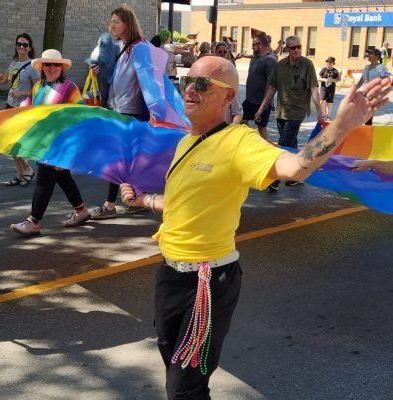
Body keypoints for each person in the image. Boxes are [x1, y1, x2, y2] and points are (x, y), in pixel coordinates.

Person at [120, 55, 390, 400]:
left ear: (227, 96)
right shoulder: (186, 142)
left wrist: (341, 126)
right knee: (176, 368)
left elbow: (295, 168)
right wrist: (143, 201)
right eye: (188, 80)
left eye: (203, 84)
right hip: (170, 276)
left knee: (183, 388)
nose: (190, 89)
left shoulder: (240, 142)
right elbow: (182, 206)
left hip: (205, 283)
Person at [9, 49, 90, 237]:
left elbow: (81, 113)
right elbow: (30, 105)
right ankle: (81, 211)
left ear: (61, 68)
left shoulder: (70, 88)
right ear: (42, 67)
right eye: (48, 64)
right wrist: (21, 109)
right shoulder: (38, 86)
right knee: (61, 176)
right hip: (43, 142)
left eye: (56, 64)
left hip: (60, 144)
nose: (52, 67)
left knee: (44, 179)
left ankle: (33, 221)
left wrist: (71, 146)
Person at [88, 5, 149, 220]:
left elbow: (149, 81)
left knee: (117, 159)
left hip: (128, 110)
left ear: (127, 23)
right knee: (125, 159)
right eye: (110, 21)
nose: (111, 25)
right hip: (116, 108)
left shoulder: (140, 48)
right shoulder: (120, 46)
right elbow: (114, 76)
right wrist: (100, 70)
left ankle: (110, 205)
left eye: (116, 21)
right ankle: (137, 197)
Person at [256, 35, 323, 191]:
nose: (297, 50)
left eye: (299, 46)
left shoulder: (307, 64)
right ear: (287, 49)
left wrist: (319, 110)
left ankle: (275, 179)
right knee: (291, 144)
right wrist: (261, 108)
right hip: (281, 111)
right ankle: (293, 177)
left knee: (284, 143)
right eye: (293, 48)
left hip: (297, 111)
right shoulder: (280, 66)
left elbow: (314, 88)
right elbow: (272, 88)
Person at [0, 33, 39, 187]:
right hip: (10, 107)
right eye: (19, 44)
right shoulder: (13, 64)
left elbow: (39, 89)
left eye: (25, 45)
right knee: (10, 143)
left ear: (30, 48)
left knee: (16, 143)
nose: (21, 47)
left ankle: (28, 170)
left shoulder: (33, 65)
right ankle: (20, 173)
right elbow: (1, 80)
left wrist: (22, 93)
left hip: (22, 109)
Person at [241, 35, 277, 139]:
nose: (252, 47)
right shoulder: (254, 57)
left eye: (253, 45)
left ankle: (266, 148)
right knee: (241, 122)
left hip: (262, 102)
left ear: (260, 45)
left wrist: (263, 105)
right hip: (250, 100)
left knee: (261, 127)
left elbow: (271, 85)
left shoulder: (270, 60)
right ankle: (254, 139)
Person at [356, 48, 389, 125]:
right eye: (368, 54)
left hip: (374, 94)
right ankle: (365, 129)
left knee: (368, 113)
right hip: (364, 93)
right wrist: (354, 90)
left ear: (377, 56)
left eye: (371, 54)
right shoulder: (366, 67)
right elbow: (361, 81)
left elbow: (387, 79)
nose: (368, 55)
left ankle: (367, 131)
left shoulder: (381, 67)